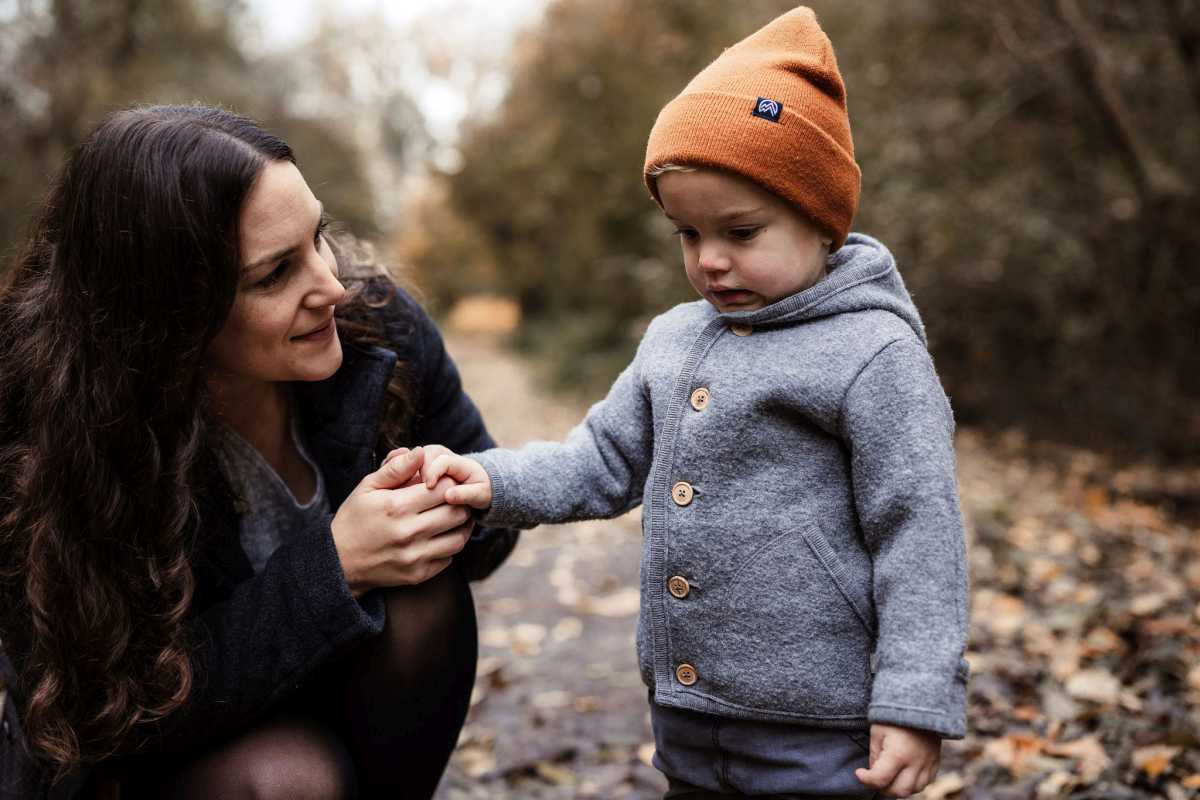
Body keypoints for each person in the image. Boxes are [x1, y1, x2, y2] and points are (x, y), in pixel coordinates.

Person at [413, 7, 970, 799]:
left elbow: (919, 530)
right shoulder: (675, 340)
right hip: (686, 707)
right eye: (687, 233)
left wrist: (914, 700)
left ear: (820, 218)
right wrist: (492, 483)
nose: (710, 260)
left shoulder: (873, 354)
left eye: (742, 231)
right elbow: (601, 460)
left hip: (818, 723)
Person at [0, 104, 517, 799]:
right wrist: (334, 568)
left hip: (340, 698)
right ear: (168, 315)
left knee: (425, 594)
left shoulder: (375, 324)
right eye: (275, 274)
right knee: (285, 780)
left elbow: (496, 532)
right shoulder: (46, 428)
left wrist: (449, 498)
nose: (331, 285)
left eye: (319, 237)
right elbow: (98, 721)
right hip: (161, 765)